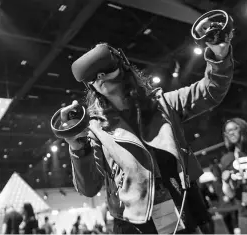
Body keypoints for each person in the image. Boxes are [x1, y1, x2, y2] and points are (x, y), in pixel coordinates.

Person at [59, 15, 234, 234]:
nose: (100, 78)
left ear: (123, 68)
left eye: (105, 70)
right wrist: (77, 145)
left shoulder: (162, 104)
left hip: (178, 204)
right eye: (93, 77)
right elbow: (89, 188)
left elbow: (210, 91)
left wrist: (220, 54)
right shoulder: (96, 129)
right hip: (133, 220)